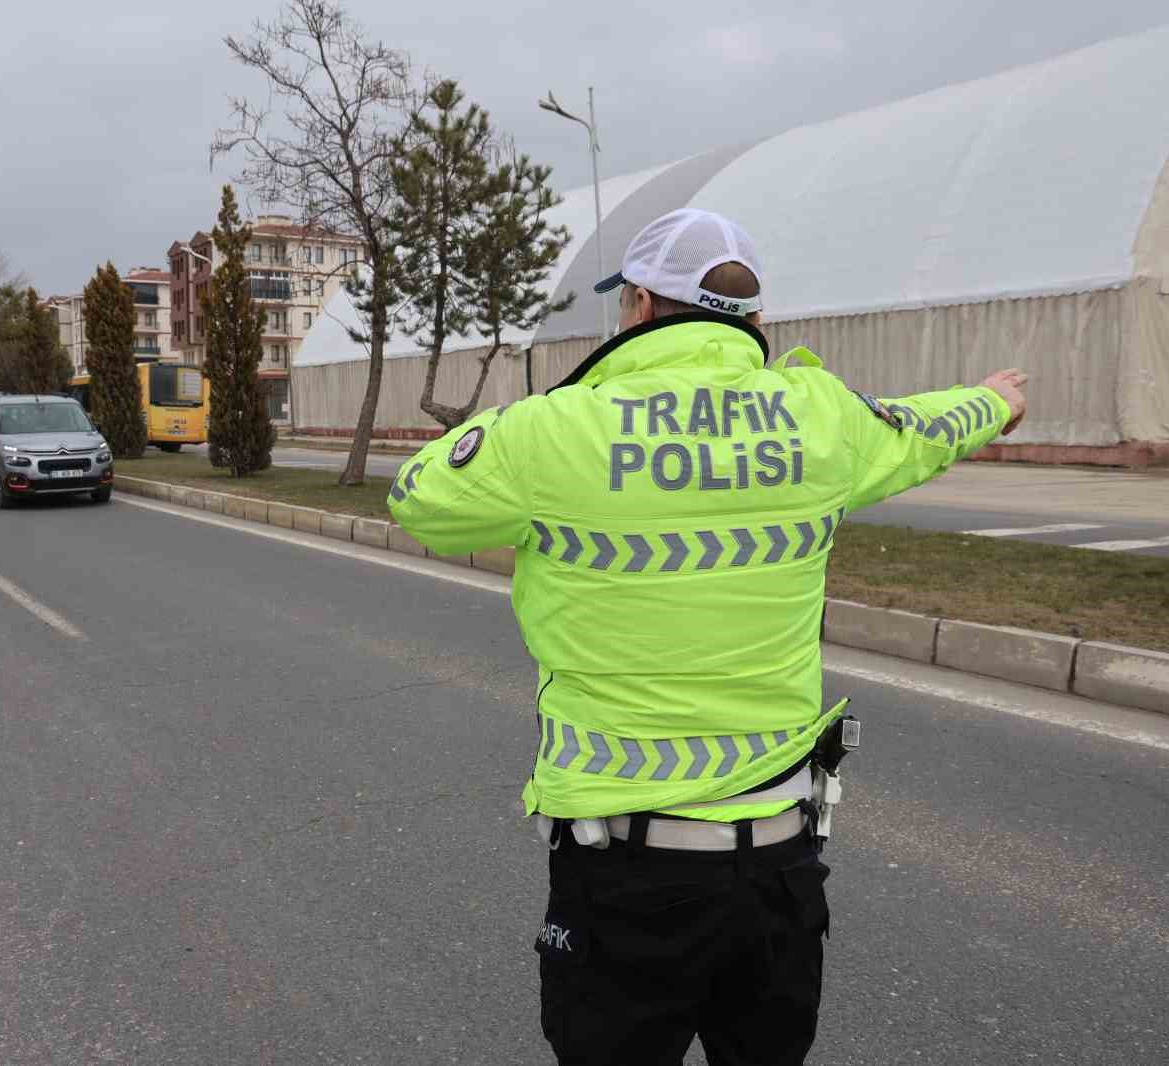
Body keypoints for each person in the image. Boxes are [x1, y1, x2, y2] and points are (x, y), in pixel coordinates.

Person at [387, 208, 1027, 1066]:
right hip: (780, 869)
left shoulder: (555, 429)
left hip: (622, 872)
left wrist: (514, 424)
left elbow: (419, 496)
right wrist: (996, 400)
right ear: (755, 320)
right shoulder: (820, 418)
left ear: (639, 306)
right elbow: (922, 427)